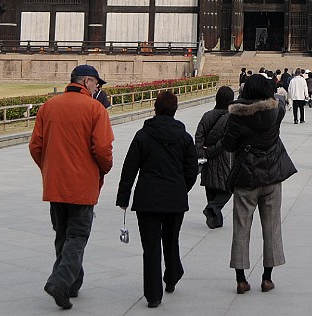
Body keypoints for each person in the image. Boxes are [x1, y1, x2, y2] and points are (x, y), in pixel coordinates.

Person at [29, 64, 114, 311]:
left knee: (63, 234)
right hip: (82, 185)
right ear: (87, 81)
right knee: (77, 235)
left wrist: (49, 168)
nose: (97, 88)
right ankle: (60, 281)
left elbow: (35, 146)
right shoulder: (95, 109)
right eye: (97, 83)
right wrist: (103, 169)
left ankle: (72, 284)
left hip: (55, 184)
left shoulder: (49, 106)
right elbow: (102, 149)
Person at [116, 90, 198, 308]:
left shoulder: (143, 135)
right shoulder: (184, 137)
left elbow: (130, 168)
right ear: (175, 110)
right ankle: (171, 276)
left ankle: (153, 295)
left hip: (148, 199)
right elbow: (192, 169)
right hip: (174, 197)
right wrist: (182, 188)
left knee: (151, 247)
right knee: (171, 240)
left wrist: (124, 197)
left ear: (155, 108)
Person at [224, 74, 297, 294]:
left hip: (246, 178)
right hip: (272, 175)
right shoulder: (276, 112)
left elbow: (228, 144)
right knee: (272, 226)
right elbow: (279, 99)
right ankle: (267, 278)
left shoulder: (236, 116)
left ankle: (241, 279)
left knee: (241, 227)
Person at [194, 85, 235, 229]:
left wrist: (202, 152)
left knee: (211, 188)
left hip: (207, 159)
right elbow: (225, 140)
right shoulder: (232, 118)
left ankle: (215, 220)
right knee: (228, 188)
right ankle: (212, 211)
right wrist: (211, 151)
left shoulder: (207, 115)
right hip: (223, 158)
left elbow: (199, 135)